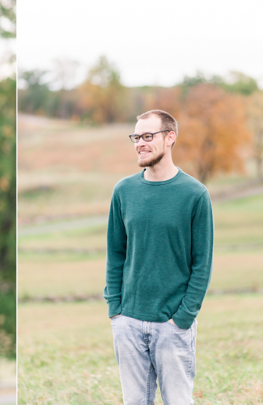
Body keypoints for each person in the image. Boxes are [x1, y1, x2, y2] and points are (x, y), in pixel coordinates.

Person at [104, 109, 213, 405]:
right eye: (136, 137)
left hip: (172, 325)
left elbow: (202, 265)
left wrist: (183, 318)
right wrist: (116, 310)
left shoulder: (195, 194)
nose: (140, 143)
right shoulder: (123, 191)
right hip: (128, 322)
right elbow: (115, 253)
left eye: (148, 136)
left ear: (170, 138)